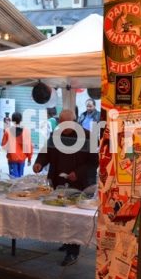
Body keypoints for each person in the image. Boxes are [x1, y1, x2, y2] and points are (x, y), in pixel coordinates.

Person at [33, 109, 97, 266]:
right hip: (58, 182)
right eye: (61, 124)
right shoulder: (56, 135)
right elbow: (45, 152)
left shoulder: (88, 136)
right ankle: (66, 241)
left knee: (74, 218)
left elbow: (94, 161)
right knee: (61, 214)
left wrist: (78, 173)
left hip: (80, 184)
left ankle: (73, 252)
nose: (64, 127)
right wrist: (39, 163)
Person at [1, 112, 32, 178]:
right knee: (20, 178)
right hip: (22, 159)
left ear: (12, 120)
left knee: (13, 179)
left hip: (12, 158)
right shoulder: (26, 131)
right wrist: (29, 158)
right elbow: (29, 146)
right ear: (21, 120)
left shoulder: (8, 131)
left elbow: (3, 145)